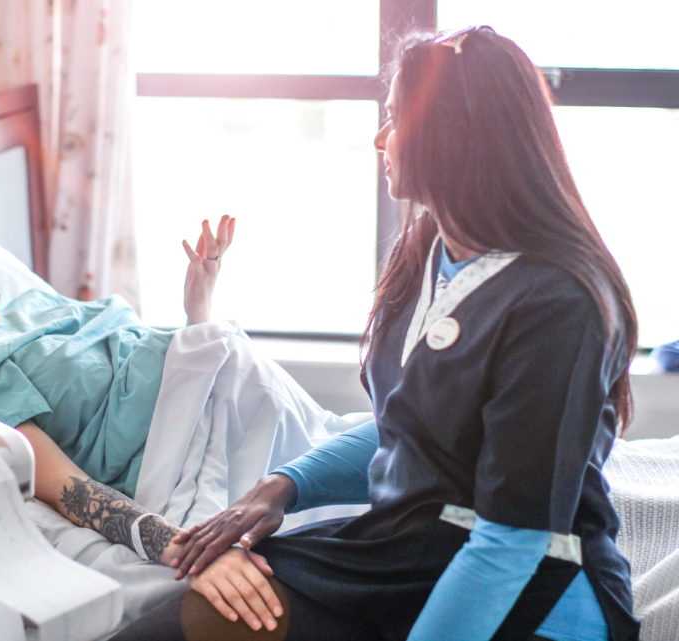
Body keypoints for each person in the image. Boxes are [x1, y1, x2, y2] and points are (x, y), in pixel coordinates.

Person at [111, 26, 641, 641]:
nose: (380, 139)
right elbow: (411, 426)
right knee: (183, 622)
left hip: (532, 585)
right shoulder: (430, 249)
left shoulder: (559, 303)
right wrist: (283, 486)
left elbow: (513, 542)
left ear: (453, 135)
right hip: (404, 554)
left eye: (394, 118)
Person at [0, 184, 341, 626]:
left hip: (244, 400)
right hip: (195, 449)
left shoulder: (28, 306)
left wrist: (197, 309)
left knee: (388, 474)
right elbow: (62, 485)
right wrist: (192, 552)